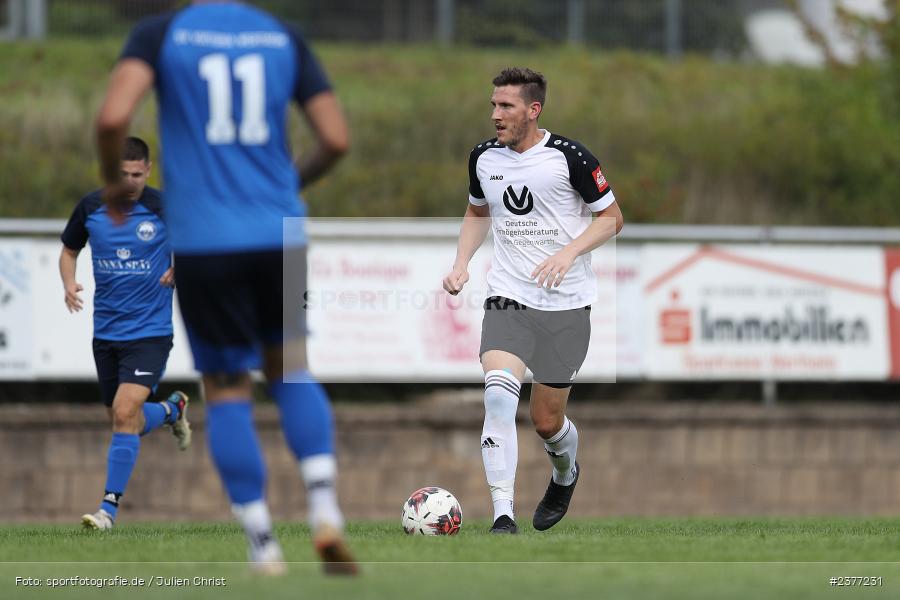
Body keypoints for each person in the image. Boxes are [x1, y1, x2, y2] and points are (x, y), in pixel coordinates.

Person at [94, 1, 354, 575]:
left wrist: (115, 183)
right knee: (291, 369)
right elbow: (335, 137)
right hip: (276, 234)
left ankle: (263, 542)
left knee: (228, 387)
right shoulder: (283, 35)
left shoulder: (160, 34)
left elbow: (113, 119)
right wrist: (288, 183)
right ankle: (324, 507)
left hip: (205, 242)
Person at [442, 67, 624, 534]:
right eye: (493, 105)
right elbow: (476, 212)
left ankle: (565, 474)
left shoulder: (570, 158)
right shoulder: (483, 158)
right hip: (508, 297)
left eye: (506, 107)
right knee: (499, 397)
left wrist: (569, 252)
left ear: (533, 110)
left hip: (566, 305)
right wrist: (462, 261)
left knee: (546, 421)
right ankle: (503, 515)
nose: (496, 115)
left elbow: (611, 219)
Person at [60, 136, 191, 531]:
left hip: (150, 332)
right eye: (123, 174)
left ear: (148, 171)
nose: (131, 182)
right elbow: (69, 250)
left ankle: (108, 511)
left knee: (123, 412)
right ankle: (172, 410)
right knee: (124, 420)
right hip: (107, 332)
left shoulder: (164, 206)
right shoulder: (90, 207)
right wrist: (69, 283)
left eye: (138, 174)